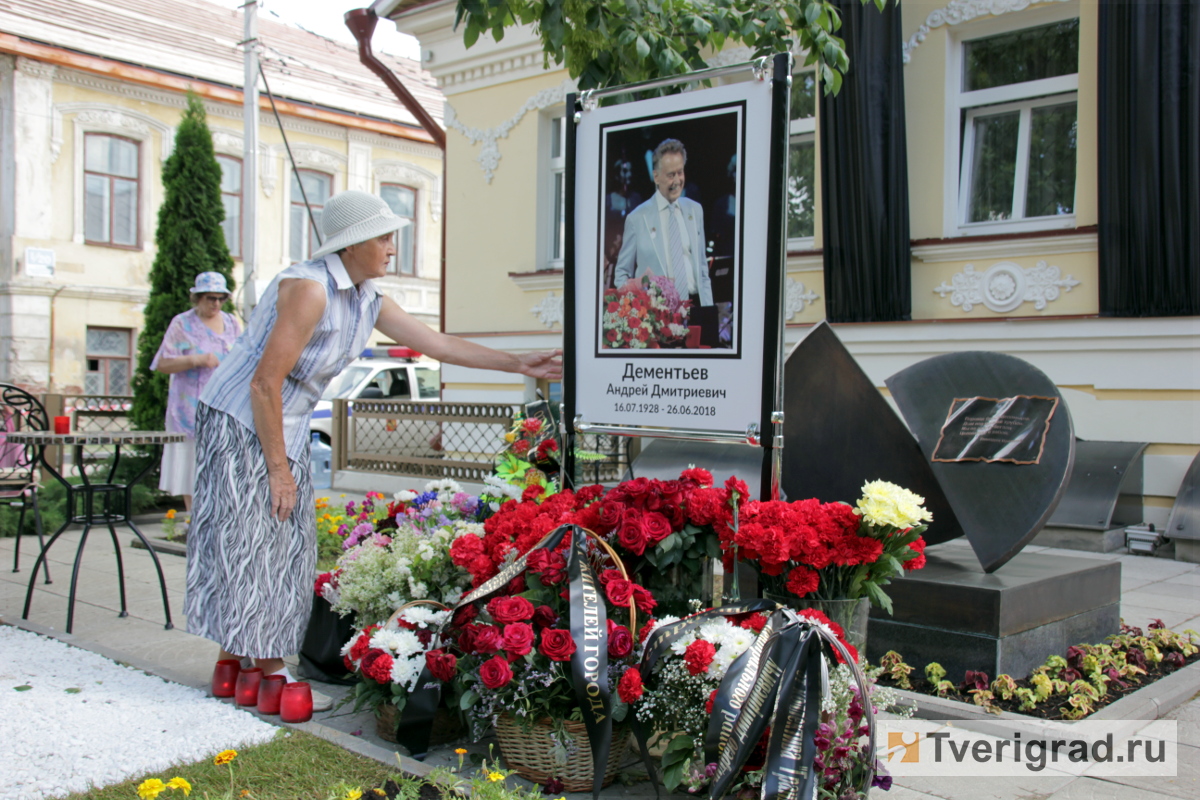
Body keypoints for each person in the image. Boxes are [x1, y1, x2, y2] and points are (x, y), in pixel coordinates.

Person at [184, 190, 561, 709]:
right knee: (255, 538)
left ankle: (237, 662)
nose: (391, 247)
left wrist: (521, 364)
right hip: (240, 418)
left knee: (286, 543)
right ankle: (268, 668)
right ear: (353, 244)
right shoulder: (310, 289)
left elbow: (440, 345)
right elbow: (263, 383)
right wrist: (278, 471)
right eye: (384, 237)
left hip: (283, 420)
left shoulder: (368, 299)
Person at [150, 272, 241, 527]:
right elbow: (162, 363)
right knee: (191, 462)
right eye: (211, 298)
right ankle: (194, 519)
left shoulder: (232, 322)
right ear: (198, 298)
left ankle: (221, 519)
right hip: (189, 406)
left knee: (223, 460)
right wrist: (195, 359)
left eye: (221, 298)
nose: (216, 304)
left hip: (224, 404)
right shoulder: (182, 323)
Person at [613, 138, 717, 345]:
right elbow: (620, 276)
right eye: (670, 175)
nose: (677, 180)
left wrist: (709, 311)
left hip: (699, 311)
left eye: (680, 172)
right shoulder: (637, 218)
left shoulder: (695, 210)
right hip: (658, 318)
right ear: (656, 176)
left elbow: (702, 269)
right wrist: (642, 291)